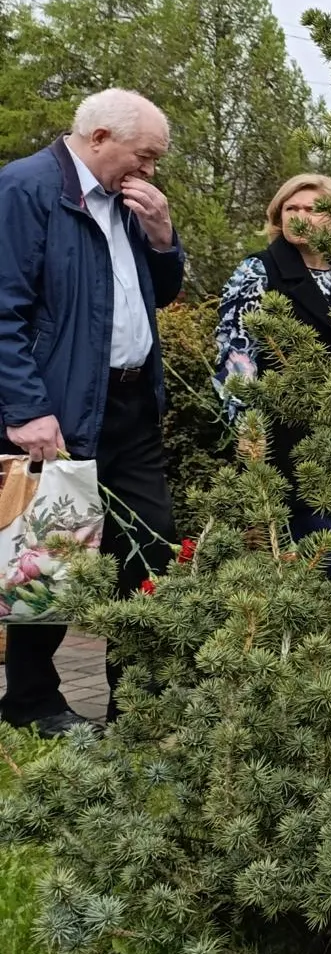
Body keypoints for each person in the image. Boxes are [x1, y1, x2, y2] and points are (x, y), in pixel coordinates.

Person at [0, 88, 184, 736]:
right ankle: (31, 703)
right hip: (62, 412)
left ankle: (138, 708)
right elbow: (5, 309)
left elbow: (161, 292)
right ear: (101, 138)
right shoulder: (25, 190)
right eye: (145, 157)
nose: (150, 172)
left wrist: (164, 236)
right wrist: (24, 407)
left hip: (132, 406)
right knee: (53, 556)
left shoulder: (129, 202)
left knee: (152, 547)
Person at [214, 174, 331, 544]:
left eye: (311, 209)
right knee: (290, 537)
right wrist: (248, 426)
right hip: (276, 427)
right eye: (290, 208)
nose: (299, 216)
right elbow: (236, 352)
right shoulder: (258, 271)